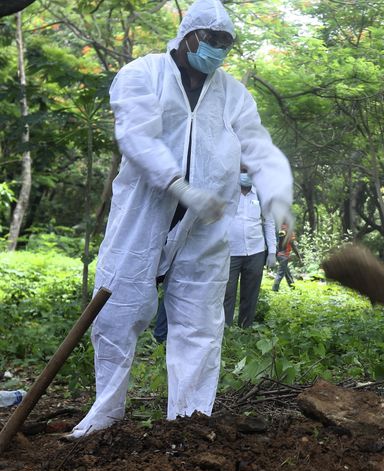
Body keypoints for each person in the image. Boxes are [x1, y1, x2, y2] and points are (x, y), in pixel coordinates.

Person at [70, 0, 293, 438]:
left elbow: (258, 147)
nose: (217, 51)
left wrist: (279, 197)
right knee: (118, 310)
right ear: (189, 34)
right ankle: (105, 415)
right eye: (211, 41)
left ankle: (190, 423)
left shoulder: (233, 93)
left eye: (225, 44)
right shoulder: (142, 74)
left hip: (207, 223)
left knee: (200, 322)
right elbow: (137, 134)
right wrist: (177, 185)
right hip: (146, 210)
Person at [225, 168, 277, 326]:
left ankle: (244, 328)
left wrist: (272, 252)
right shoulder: (229, 193)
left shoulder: (261, 195)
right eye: (242, 171)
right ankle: (225, 328)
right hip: (230, 251)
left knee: (251, 293)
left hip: (255, 251)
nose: (246, 175)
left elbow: (269, 222)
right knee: (227, 292)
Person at [272, 225, 301, 291]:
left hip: (279, 255)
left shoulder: (280, 232)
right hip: (283, 256)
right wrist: (299, 257)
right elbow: (293, 246)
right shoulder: (289, 234)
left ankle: (292, 287)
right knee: (280, 273)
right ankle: (274, 289)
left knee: (287, 272)